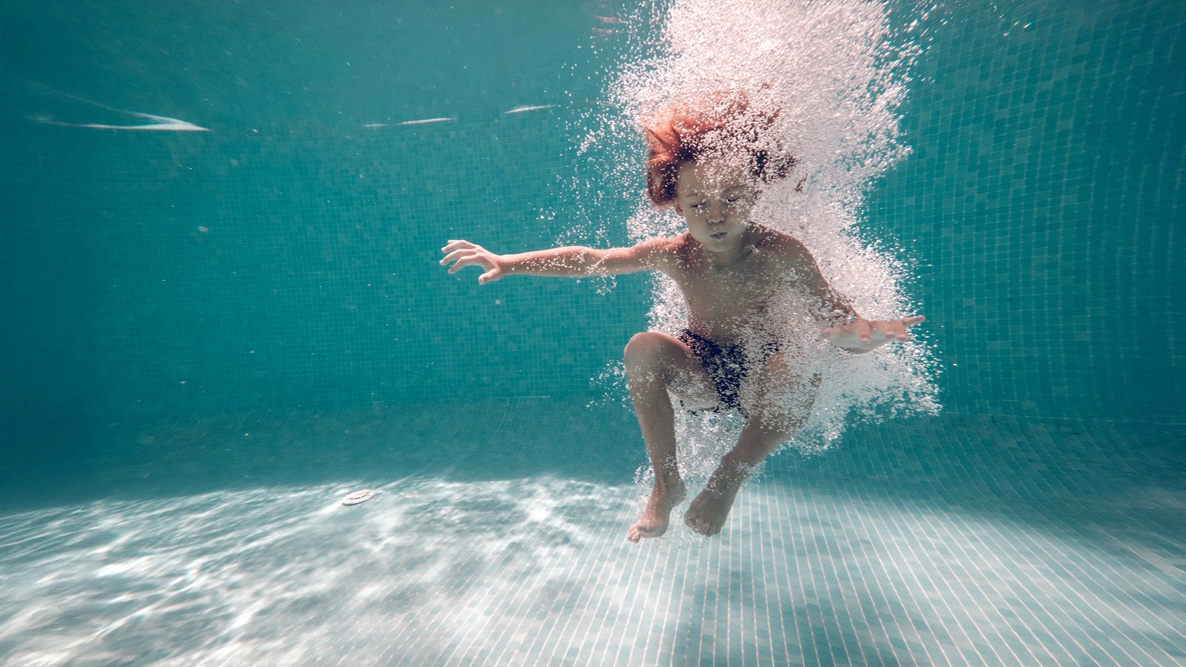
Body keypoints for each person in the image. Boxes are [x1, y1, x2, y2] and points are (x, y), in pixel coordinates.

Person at [440, 94, 923, 542]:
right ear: (675, 205)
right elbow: (592, 259)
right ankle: (666, 484)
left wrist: (872, 337)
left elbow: (843, 326)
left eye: (731, 199)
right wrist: (508, 261)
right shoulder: (675, 254)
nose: (715, 216)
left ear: (754, 192)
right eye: (698, 205)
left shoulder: (784, 255)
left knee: (799, 360)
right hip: (705, 374)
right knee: (643, 347)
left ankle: (730, 474)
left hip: (767, 381)